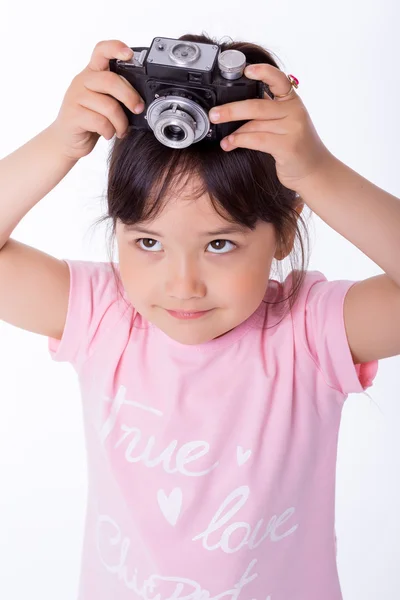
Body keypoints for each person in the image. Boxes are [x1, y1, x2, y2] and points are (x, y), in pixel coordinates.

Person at [0, 33, 399, 600]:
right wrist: (58, 144)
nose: (181, 285)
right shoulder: (103, 317)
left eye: (218, 245)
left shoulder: (307, 333)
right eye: (147, 243)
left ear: (285, 230)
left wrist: (316, 172)